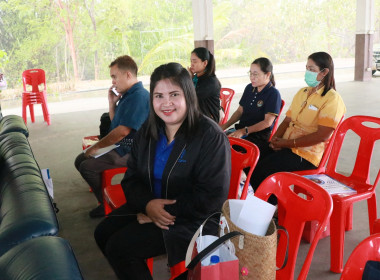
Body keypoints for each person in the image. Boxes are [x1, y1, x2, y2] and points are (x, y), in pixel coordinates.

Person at [94, 63, 231, 280]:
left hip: (192, 218)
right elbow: (131, 180)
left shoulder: (209, 136)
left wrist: (161, 213)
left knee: (121, 248)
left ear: (188, 95)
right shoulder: (149, 130)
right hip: (152, 202)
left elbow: (211, 197)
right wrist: (148, 205)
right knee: (102, 233)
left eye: (174, 94)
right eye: (159, 96)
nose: (166, 103)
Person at [249, 52, 346, 202]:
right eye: (307, 68)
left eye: (312, 70)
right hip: (286, 145)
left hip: (306, 154)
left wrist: (287, 143)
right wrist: (275, 139)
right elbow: (287, 120)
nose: (308, 73)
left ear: (325, 72)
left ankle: (268, 211)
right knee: (252, 160)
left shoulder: (332, 99)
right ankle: (257, 205)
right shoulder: (302, 92)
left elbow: (323, 135)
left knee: (265, 171)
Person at [75, 55, 150, 218]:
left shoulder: (139, 96)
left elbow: (122, 132)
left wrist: (95, 147)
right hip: (121, 146)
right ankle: (103, 198)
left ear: (128, 75)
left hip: (133, 152)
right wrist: (112, 103)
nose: (113, 82)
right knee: (80, 160)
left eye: (114, 77)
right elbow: (115, 123)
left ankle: (104, 203)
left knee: (86, 166)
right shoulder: (128, 95)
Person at [220, 57, 282, 152]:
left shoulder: (273, 93)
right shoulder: (249, 88)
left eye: (255, 74)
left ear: (268, 74)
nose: (252, 77)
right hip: (240, 131)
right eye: (250, 73)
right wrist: (224, 126)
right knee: (215, 140)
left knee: (225, 149)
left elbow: (267, 122)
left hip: (257, 137)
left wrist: (244, 131)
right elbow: (240, 111)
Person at [189, 47, 221, 122]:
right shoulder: (197, 78)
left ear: (205, 63)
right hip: (199, 117)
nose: (191, 64)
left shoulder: (210, 82)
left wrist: (188, 79)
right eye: (191, 61)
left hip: (209, 122)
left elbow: (191, 97)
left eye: (195, 62)